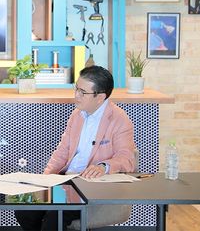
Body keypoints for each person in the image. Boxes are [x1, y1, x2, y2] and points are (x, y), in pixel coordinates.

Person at [15, 66, 136, 231]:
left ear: (100, 97)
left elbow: (127, 158)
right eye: (76, 89)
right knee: (24, 210)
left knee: (54, 218)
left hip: (92, 187)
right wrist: (45, 180)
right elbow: (62, 151)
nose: (76, 95)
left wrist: (103, 167)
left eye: (82, 92)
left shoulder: (119, 119)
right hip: (66, 183)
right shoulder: (77, 115)